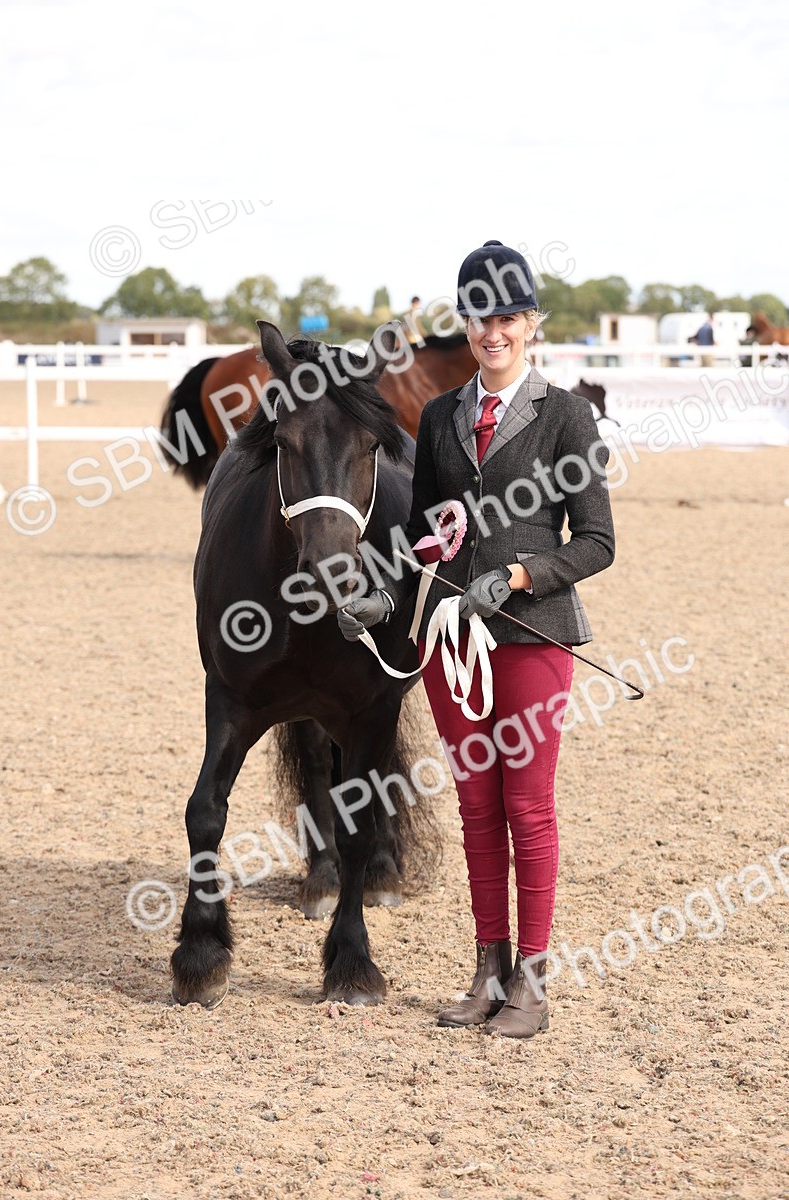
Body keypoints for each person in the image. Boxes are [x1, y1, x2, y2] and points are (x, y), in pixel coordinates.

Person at [337, 240, 615, 1038]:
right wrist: (383, 594)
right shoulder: (438, 417)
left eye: (506, 316)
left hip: (532, 634)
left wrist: (522, 576)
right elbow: (425, 531)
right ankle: (486, 969)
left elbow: (596, 541)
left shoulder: (566, 415)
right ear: (465, 324)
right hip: (453, 637)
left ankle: (531, 980)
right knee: (475, 806)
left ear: (531, 323)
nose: (491, 330)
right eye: (477, 316)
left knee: (528, 806)